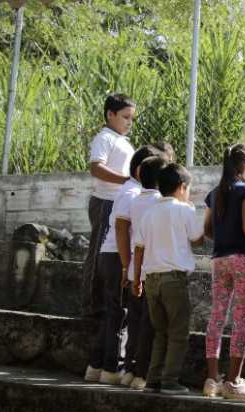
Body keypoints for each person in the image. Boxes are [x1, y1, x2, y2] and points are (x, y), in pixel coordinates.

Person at [84, 145, 158, 384]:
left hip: (113, 255)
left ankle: (96, 365)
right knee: (120, 314)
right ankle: (111, 368)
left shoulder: (131, 190)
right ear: (141, 170)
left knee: (112, 313)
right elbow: (121, 227)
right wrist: (127, 266)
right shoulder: (133, 192)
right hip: (117, 256)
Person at [132, 163, 205, 395]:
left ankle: (153, 378)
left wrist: (137, 279)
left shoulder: (149, 212)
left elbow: (139, 248)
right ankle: (170, 380)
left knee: (160, 332)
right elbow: (197, 240)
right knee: (178, 333)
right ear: (182, 187)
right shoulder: (185, 210)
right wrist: (195, 213)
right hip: (174, 279)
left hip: (151, 279)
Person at [202, 144, 245, 400]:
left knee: (216, 315)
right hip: (242, 259)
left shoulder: (215, 193)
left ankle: (211, 378)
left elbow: (207, 229)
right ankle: (233, 380)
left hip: (219, 258)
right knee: (240, 318)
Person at [82, 93, 136, 317]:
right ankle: (91, 306)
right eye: (125, 117)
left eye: (132, 118)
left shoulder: (121, 140)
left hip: (119, 204)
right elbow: (96, 168)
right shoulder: (104, 138)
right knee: (97, 255)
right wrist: (126, 180)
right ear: (110, 114)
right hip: (105, 203)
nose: (129, 123)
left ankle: (105, 305)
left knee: (112, 257)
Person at [125, 155, 169, 390]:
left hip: (135, 268)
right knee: (149, 327)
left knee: (134, 324)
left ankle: (130, 370)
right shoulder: (159, 202)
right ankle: (142, 373)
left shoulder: (135, 200)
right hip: (151, 270)